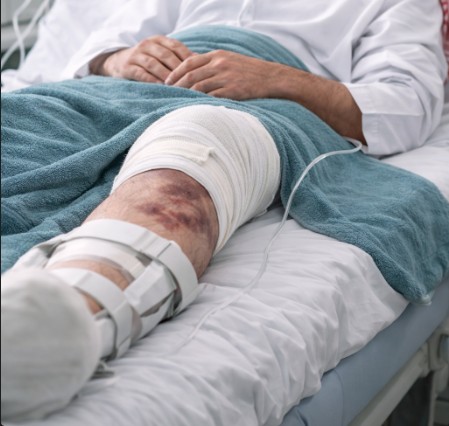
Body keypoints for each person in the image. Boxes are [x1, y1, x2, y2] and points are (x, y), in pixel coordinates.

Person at [1, 0, 447, 422]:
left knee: (191, 158)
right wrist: (117, 60)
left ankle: (53, 333)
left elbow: (408, 107)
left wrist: (276, 78)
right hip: (111, 93)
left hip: (260, 105)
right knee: (16, 126)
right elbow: (105, 43)